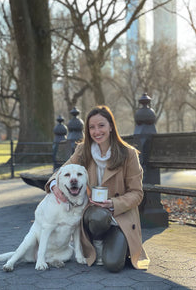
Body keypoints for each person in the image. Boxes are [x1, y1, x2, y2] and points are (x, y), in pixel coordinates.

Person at [45, 105, 150, 272]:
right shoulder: (83, 150)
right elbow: (63, 169)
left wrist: (113, 203)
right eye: (92, 127)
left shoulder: (128, 154)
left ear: (110, 126)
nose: (97, 131)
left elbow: (137, 194)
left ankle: (117, 242)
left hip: (119, 216)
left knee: (113, 265)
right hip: (93, 215)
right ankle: (97, 241)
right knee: (99, 217)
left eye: (101, 125)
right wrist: (53, 184)